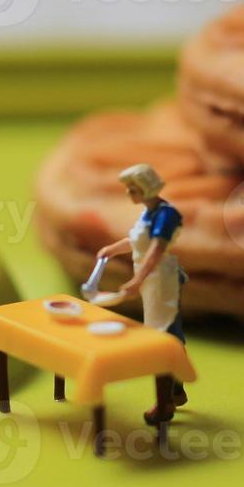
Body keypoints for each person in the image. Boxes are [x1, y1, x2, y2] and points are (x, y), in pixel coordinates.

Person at [91, 163, 188, 423]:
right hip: (151, 283)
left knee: (161, 340)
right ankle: (176, 390)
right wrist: (111, 250)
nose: (128, 193)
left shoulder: (166, 215)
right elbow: (137, 242)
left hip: (160, 281)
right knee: (166, 336)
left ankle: (165, 403)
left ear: (146, 187)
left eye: (132, 188)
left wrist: (137, 279)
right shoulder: (148, 213)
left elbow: (155, 251)